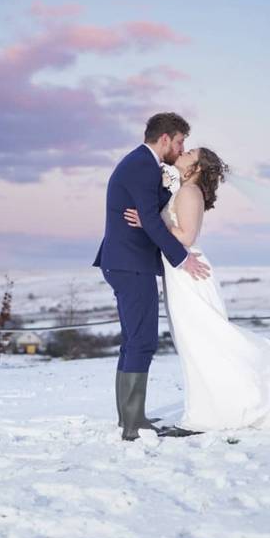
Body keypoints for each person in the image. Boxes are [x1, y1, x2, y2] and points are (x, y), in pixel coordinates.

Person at [123, 147, 270, 435]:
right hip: (179, 274)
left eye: (190, 153)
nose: (183, 152)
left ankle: (207, 415)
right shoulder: (183, 189)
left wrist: (148, 223)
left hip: (189, 272)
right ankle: (213, 409)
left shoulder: (189, 193)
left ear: (195, 167)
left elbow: (186, 236)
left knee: (202, 341)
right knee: (195, 343)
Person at [93, 112, 210, 441]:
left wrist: (162, 193)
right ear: (164, 139)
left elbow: (148, 211)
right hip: (131, 263)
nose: (182, 147)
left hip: (125, 262)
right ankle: (133, 425)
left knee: (132, 341)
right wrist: (181, 258)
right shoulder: (142, 165)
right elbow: (149, 219)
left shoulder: (140, 165)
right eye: (180, 142)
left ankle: (130, 417)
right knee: (142, 342)